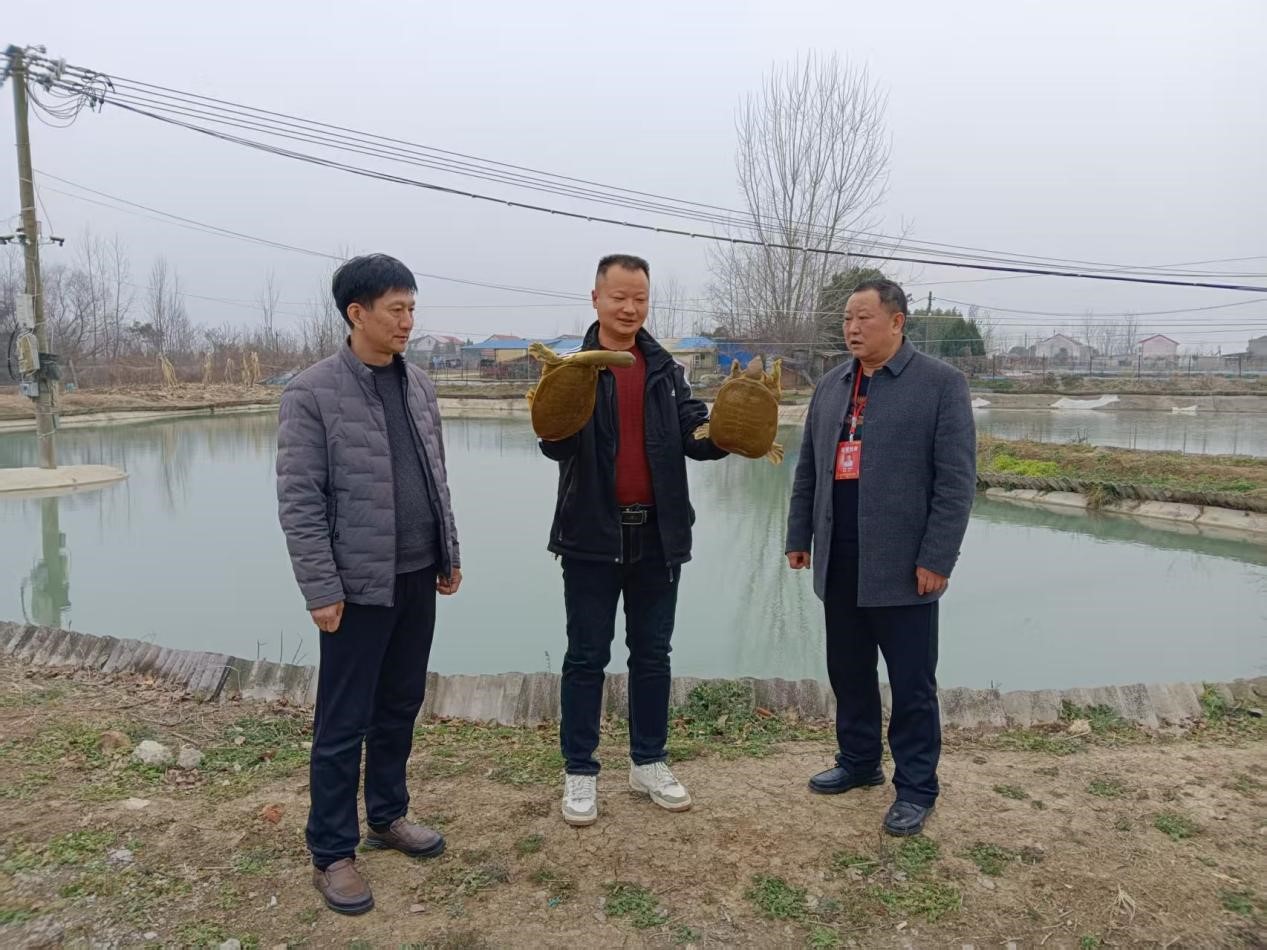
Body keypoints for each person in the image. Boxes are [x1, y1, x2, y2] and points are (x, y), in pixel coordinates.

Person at [276, 253, 462, 914]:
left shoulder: (419, 385)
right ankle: (332, 851)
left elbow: (435, 476)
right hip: (355, 587)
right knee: (342, 721)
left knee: (400, 704)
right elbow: (300, 501)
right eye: (396, 309)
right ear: (356, 313)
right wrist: (320, 588)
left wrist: (448, 550)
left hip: (416, 574)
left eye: (411, 308)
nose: (408, 321)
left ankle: (387, 814)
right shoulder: (312, 392)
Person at [539, 253, 728, 827]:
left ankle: (648, 761)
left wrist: (726, 433)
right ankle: (580, 770)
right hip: (590, 535)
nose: (629, 308)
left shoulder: (666, 370)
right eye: (619, 297)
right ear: (596, 298)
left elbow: (696, 433)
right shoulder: (572, 368)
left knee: (652, 654)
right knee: (586, 656)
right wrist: (555, 413)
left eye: (639, 298)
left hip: (658, 535)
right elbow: (554, 445)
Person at [785, 278, 975, 837]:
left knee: (912, 682)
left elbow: (956, 482)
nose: (852, 328)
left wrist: (937, 557)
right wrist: (799, 536)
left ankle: (916, 787)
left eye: (863, 318)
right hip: (839, 554)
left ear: (896, 322)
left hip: (904, 563)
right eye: (847, 318)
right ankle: (859, 761)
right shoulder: (832, 385)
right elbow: (809, 468)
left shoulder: (940, 384)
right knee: (848, 670)